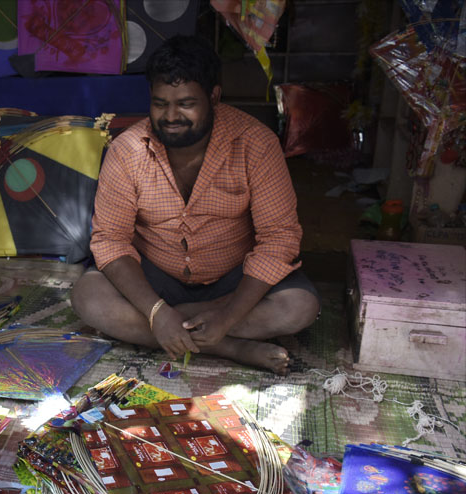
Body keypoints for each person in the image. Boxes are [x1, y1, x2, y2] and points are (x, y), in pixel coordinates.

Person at [71, 36, 320, 375]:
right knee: (88, 297)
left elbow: (279, 238)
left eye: (186, 103)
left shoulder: (256, 144)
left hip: (233, 280)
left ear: (213, 97)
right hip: (155, 278)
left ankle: (182, 327)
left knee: (299, 307)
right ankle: (228, 346)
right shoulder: (126, 150)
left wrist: (228, 314)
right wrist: (158, 310)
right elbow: (109, 239)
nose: (171, 116)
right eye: (160, 104)